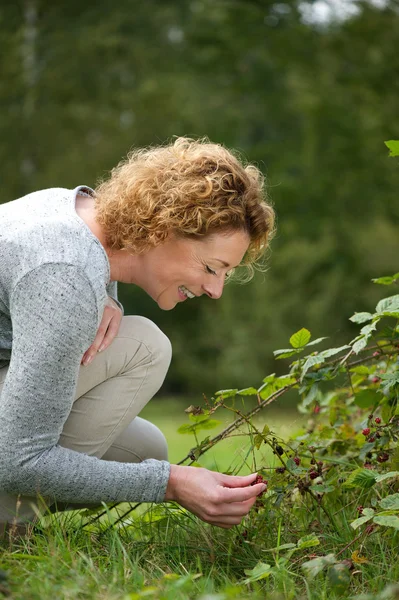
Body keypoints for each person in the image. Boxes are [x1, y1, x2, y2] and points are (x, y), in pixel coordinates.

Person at [0, 137, 275, 535]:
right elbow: (16, 460)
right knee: (145, 346)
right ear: (165, 227)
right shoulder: (66, 275)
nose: (215, 291)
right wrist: (171, 484)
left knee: (142, 449)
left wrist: (105, 296)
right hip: (12, 455)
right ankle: (9, 523)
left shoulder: (76, 213)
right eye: (212, 268)